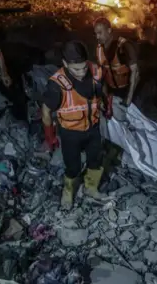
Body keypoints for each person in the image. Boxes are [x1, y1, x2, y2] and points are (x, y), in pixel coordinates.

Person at [41, 41, 109, 209]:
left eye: (83, 67)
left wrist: (107, 104)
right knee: (72, 166)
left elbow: (103, 89)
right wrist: (50, 136)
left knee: (96, 160)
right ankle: (68, 193)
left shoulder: (95, 71)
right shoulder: (57, 84)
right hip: (70, 133)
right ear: (65, 63)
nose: (81, 72)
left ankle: (91, 188)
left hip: (92, 128)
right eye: (76, 69)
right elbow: (45, 112)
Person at [93, 17, 140, 109]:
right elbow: (102, 74)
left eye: (100, 33)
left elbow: (136, 73)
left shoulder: (124, 46)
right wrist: (105, 96)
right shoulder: (99, 49)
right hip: (112, 90)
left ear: (109, 30)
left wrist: (129, 97)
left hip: (129, 89)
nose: (97, 37)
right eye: (95, 34)